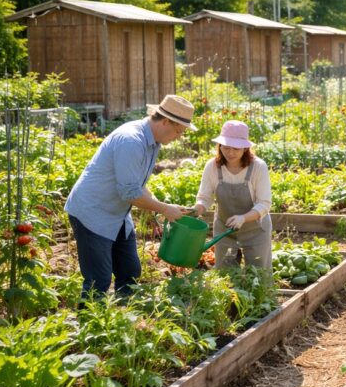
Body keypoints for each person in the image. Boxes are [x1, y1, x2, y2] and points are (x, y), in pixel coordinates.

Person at [65, 94, 196, 298]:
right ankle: (89, 322)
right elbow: (130, 193)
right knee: (98, 279)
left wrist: (159, 208)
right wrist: (163, 209)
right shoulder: (131, 141)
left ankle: (125, 318)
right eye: (178, 131)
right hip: (92, 213)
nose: (178, 137)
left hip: (116, 214)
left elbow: (137, 185)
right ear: (165, 121)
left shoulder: (153, 142)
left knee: (130, 272)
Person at [193, 120, 272, 270]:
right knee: (226, 276)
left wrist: (243, 218)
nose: (230, 153)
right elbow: (205, 198)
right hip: (225, 230)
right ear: (220, 146)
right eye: (226, 147)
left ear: (245, 148)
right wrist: (196, 210)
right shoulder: (212, 167)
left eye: (236, 148)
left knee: (258, 275)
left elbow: (264, 203)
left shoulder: (258, 167)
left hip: (255, 230)